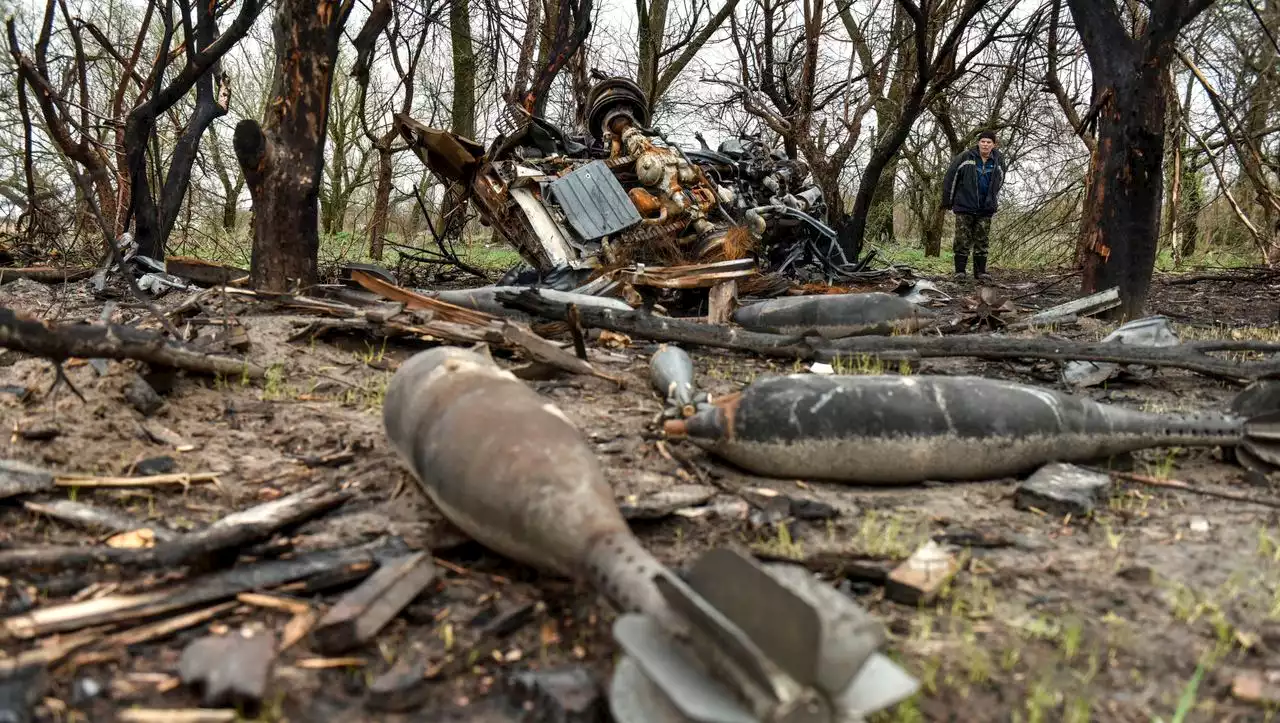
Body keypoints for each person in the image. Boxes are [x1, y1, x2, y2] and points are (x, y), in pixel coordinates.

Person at [941, 130, 1006, 280]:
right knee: (962, 239)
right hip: (965, 205)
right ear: (978, 143)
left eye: (989, 142)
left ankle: (980, 272)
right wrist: (948, 201)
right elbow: (951, 178)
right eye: (983, 141)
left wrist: (991, 198)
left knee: (982, 240)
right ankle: (960, 272)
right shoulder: (966, 157)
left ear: (994, 145)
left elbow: (999, 181)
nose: (985, 144)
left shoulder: (998, 160)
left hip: (986, 207)